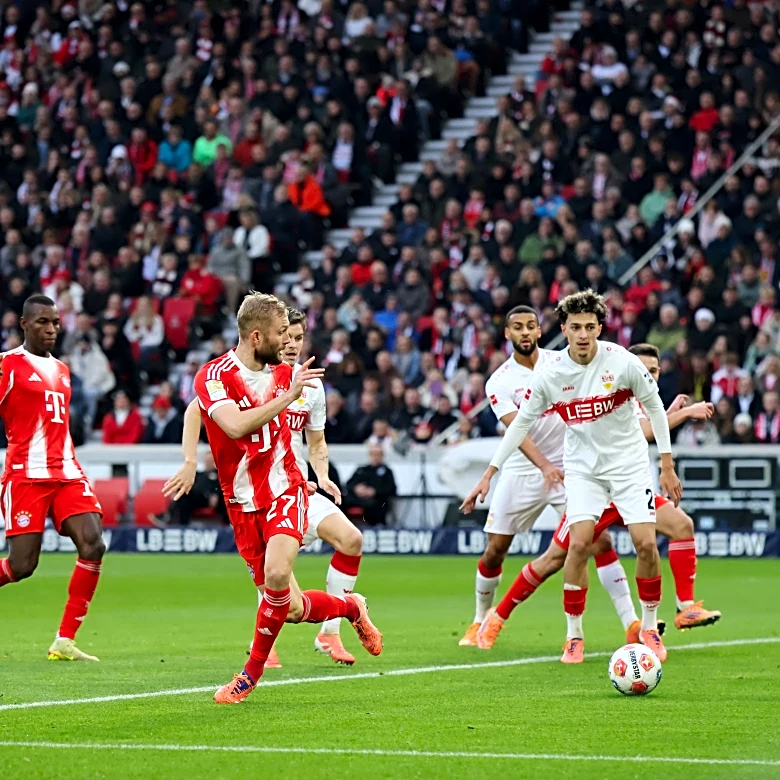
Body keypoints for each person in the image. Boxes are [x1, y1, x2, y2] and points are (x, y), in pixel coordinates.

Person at [175, 292, 382, 703]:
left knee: (275, 576)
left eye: (292, 334)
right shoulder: (214, 377)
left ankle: (248, 675)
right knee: (288, 605)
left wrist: (316, 476)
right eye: (280, 335)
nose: (288, 344)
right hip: (240, 502)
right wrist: (186, 460)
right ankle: (350, 607)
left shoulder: (293, 377)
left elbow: (314, 438)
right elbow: (232, 426)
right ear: (256, 337)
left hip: (285, 489)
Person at [461, 290, 682, 664]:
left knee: (645, 544)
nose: (583, 334)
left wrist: (666, 464)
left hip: (628, 466)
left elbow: (657, 409)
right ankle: (573, 635)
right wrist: (489, 473)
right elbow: (519, 427)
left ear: (599, 328)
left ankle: (647, 626)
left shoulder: (623, 362)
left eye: (590, 327)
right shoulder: (551, 374)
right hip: (581, 470)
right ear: (563, 329)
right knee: (579, 544)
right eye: (575, 327)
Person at [477, 342, 722, 652]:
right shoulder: (613, 385)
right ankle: (497, 616)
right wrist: (686, 413)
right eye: (644, 370)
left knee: (681, 525)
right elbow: (643, 430)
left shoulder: (640, 395)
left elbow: (647, 423)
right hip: (595, 490)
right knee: (555, 558)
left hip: (630, 488)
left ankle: (684, 606)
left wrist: (670, 414)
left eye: (654, 371)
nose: (648, 375)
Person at [0, 295, 105, 662]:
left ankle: (65, 639)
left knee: (93, 544)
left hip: (66, 473)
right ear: (24, 325)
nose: (51, 329)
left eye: (56, 323)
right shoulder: (6, 366)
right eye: (43, 322)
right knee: (22, 566)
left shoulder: (62, 369)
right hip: (25, 476)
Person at [344, 444, 397, 525]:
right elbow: (348, 485)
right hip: (358, 500)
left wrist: (374, 492)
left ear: (382, 456)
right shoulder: (361, 470)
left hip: (377, 502)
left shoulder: (387, 472)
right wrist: (356, 488)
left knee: (377, 505)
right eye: (373, 454)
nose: (375, 457)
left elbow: (391, 489)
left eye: (378, 454)